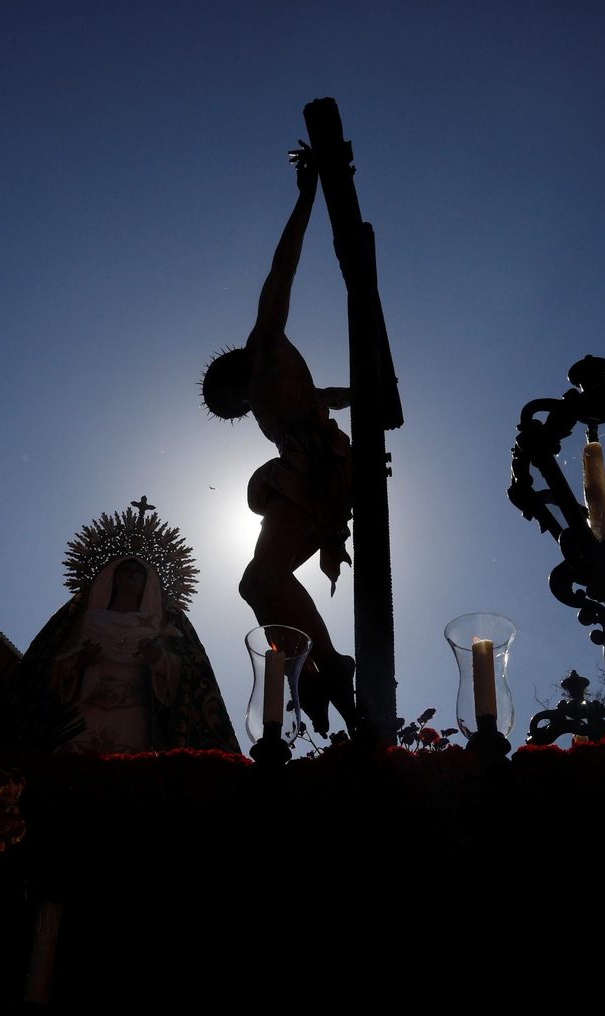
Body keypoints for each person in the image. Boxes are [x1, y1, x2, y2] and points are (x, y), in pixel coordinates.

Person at [202, 146, 356, 732]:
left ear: (232, 380)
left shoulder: (264, 345)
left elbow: (281, 269)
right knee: (253, 581)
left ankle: (328, 664)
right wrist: (354, 397)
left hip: (316, 466)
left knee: (263, 576)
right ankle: (307, 668)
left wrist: (306, 192)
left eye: (229, 402)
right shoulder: (276, 399)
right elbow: (326, 397)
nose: (241, 409)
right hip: (309, 465)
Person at [0, 508, 238, 753]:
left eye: (138, 572)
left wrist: (160, 660)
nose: (132, 575)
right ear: (111, 576)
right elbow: (44, 668)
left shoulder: (165, 623)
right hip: (82, 715)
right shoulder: (84, 618)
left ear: (149, 582)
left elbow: (193, 675)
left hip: (136, 718)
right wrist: (75, 663)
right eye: (126, 570)